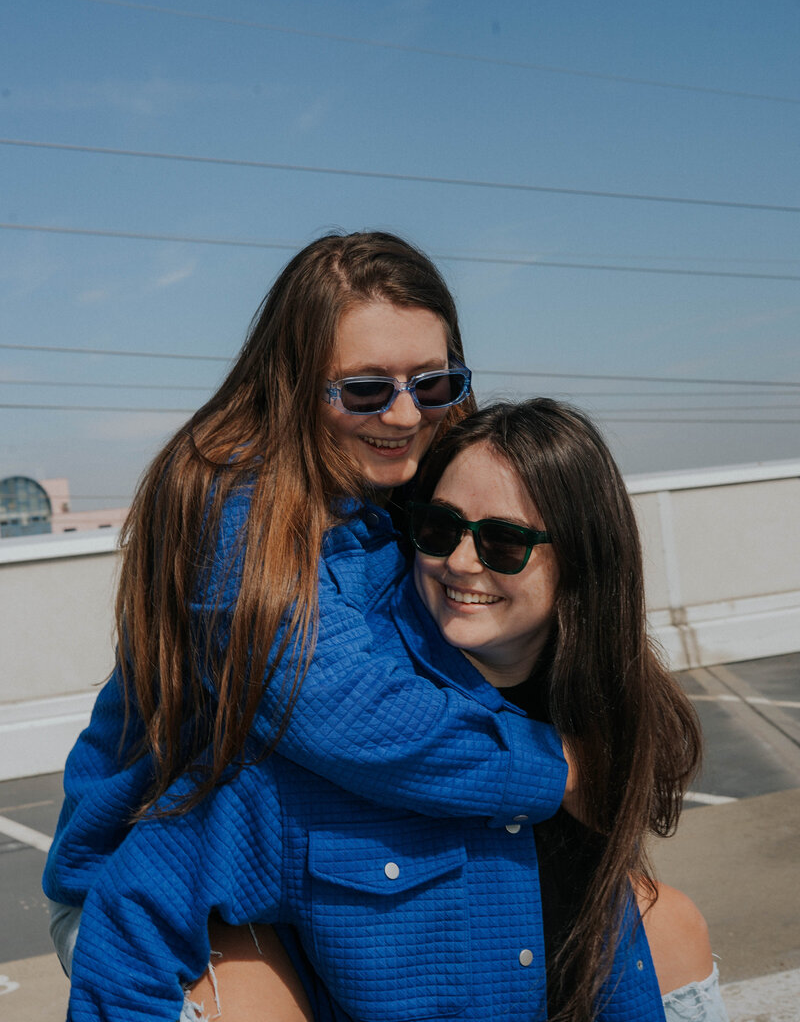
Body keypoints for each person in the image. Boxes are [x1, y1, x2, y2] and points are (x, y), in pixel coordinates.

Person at [44, 234, 573, 1016]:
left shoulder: (402, 490)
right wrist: (553, 768)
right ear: (292, 382)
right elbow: (342, 713)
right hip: (161, 876)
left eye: (433, 383)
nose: (404, 413)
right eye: (365, 389)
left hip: (309, 856)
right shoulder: (231, 509)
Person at [64, 400, 728, 1022]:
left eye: (502, 543)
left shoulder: (605, 723)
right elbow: (134, 909)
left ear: (583, 561)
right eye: (439, 530)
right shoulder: (337, 742)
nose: (461, 562)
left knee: (668, 923)